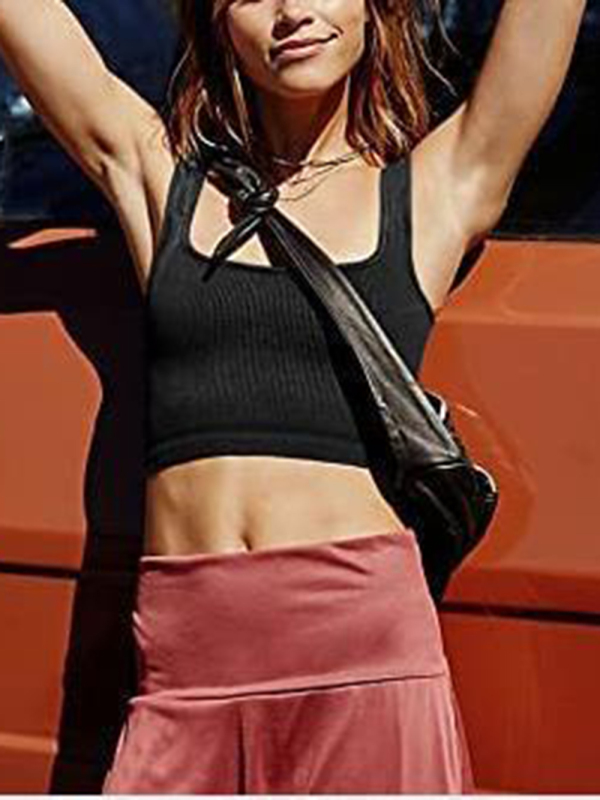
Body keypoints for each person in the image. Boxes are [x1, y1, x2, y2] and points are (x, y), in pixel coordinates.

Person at [0, 0, 587, 793]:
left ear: (377, 11)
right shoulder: (160, 181)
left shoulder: (436, 193)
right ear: (216, 25)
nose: (292, 11)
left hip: (362, 661)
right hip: (185, 666)